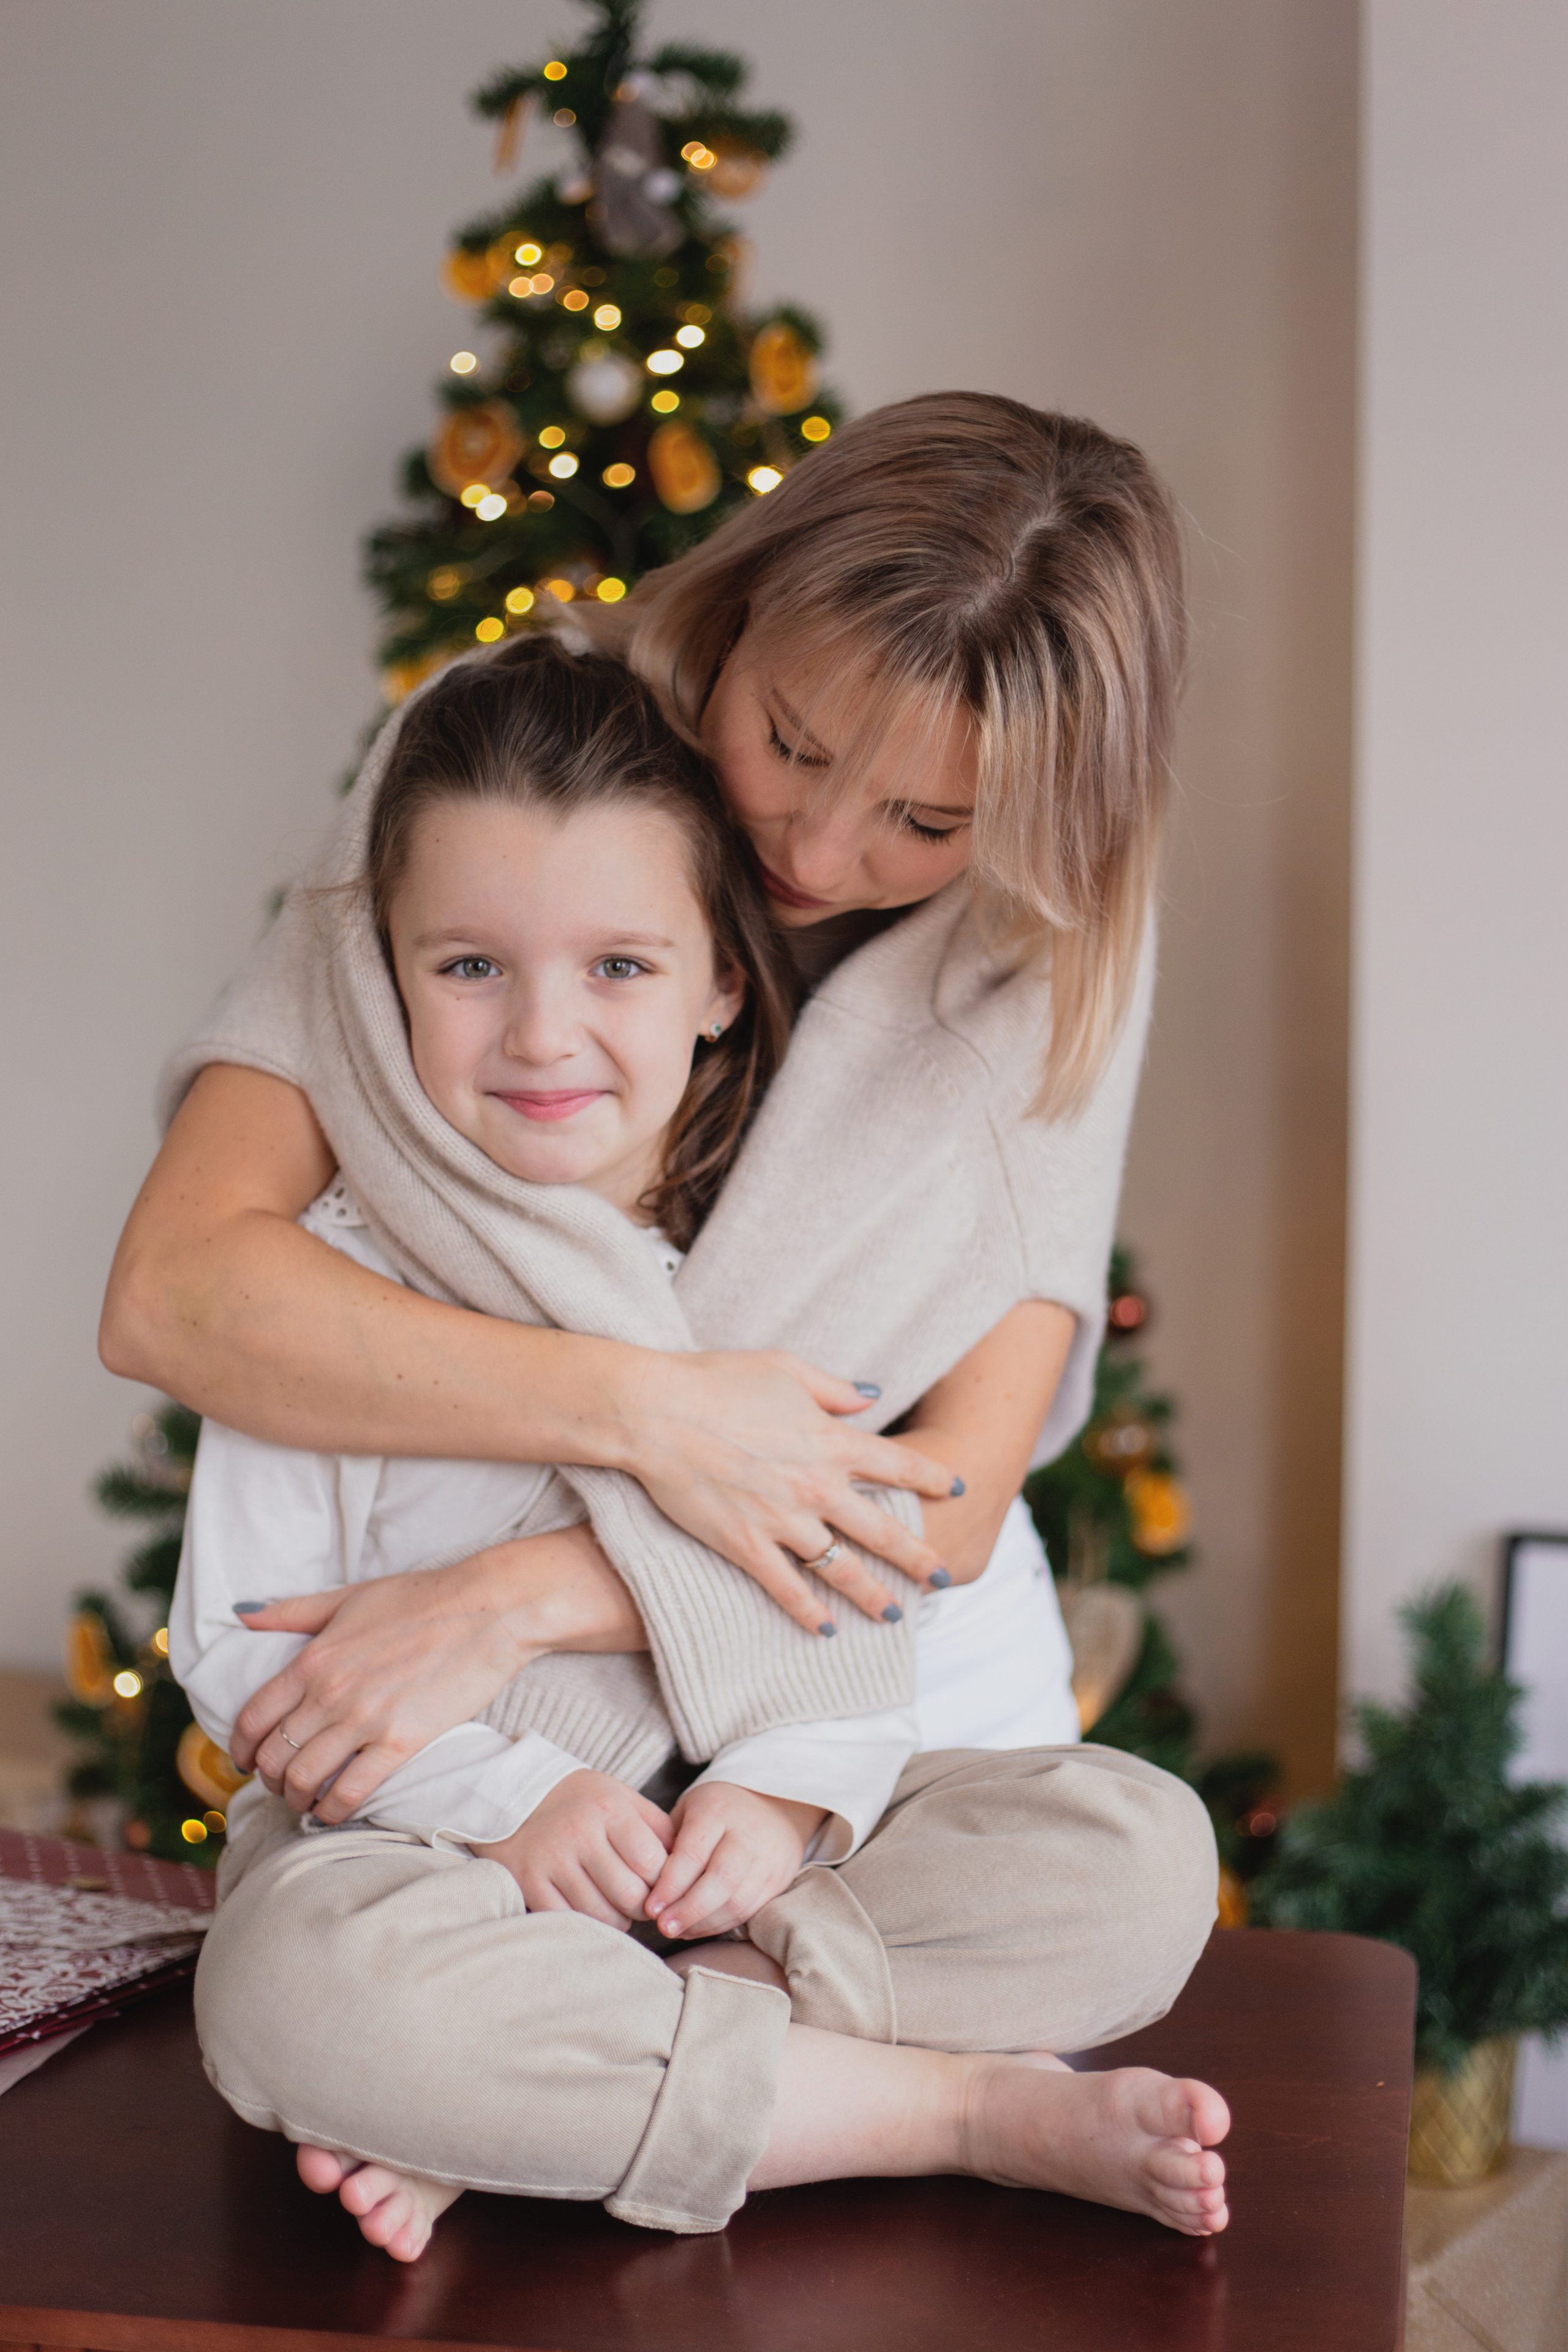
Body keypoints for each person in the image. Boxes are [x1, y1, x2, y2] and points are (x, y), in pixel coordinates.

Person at [104, 393, 1227, 2247]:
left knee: (1137, 1863)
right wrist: (658, 1417)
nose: (816, 839)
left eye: (924, 819)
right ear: (747, 601)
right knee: (308, 1990)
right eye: (787, 739)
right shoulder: (511, 779)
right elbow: (180, 1294)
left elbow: (939, 1495)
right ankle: (935, 2107)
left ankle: (559, 2086)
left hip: (785, 1753)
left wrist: (533, 1597)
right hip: (463, 1812)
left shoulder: (1060, 939)